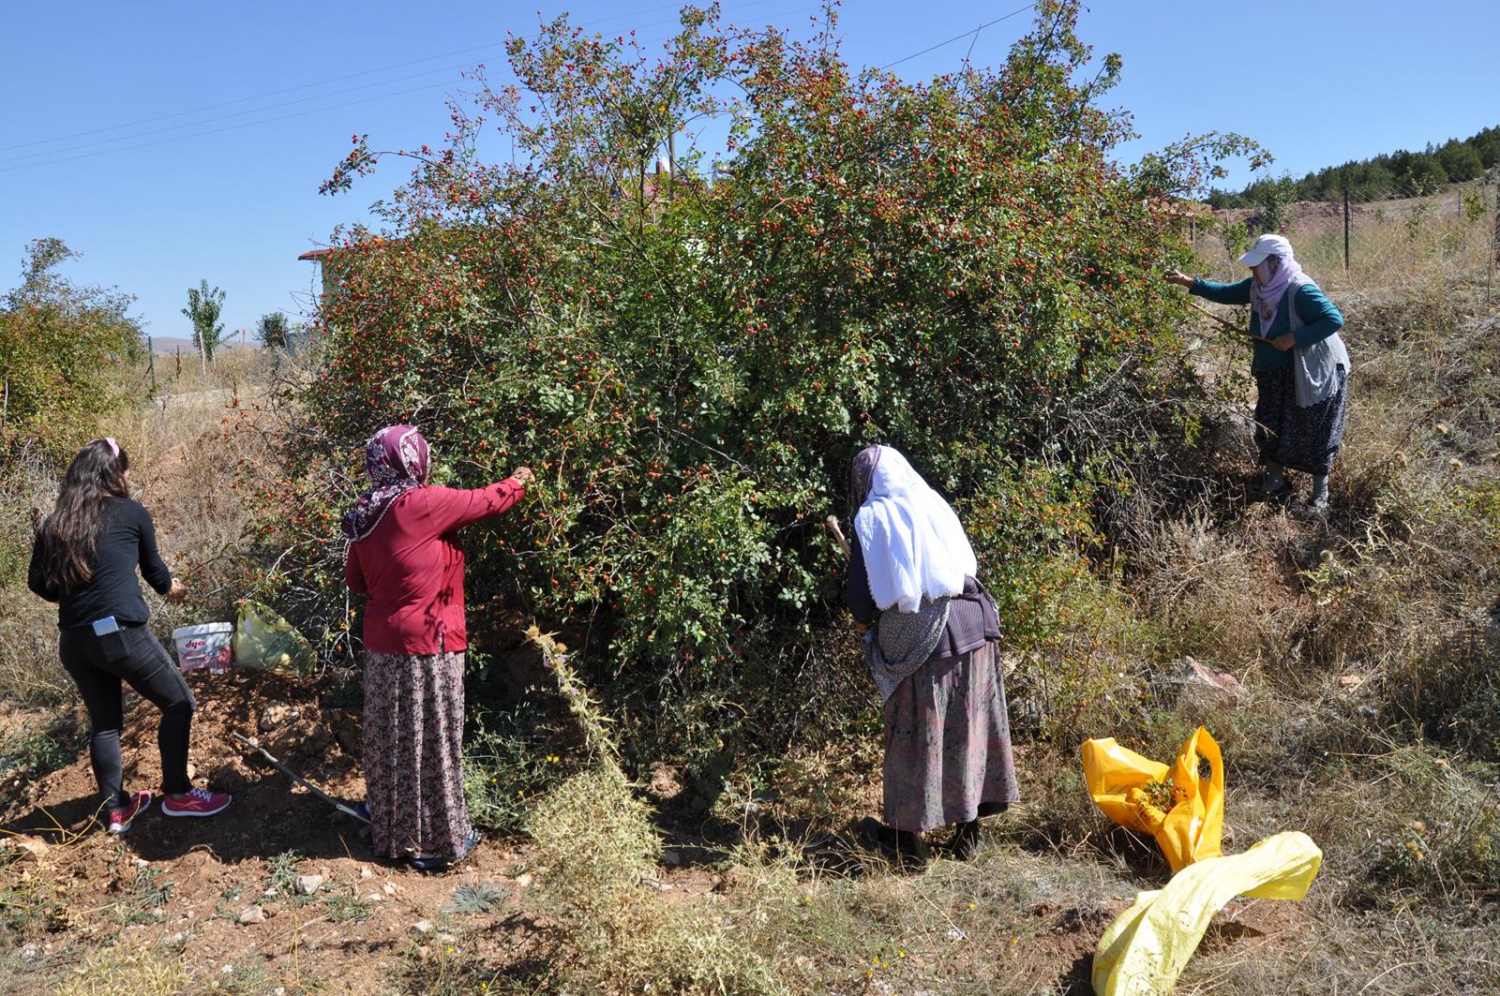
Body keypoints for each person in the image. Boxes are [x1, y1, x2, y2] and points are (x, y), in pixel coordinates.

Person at [343, 424, 532, 872]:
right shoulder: (421, 504)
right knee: (434, 740)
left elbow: (356, 581)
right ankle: (439, 842)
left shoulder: (365, 513)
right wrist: (520, 481)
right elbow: (487, 501)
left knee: (391, 739)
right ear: (414, 459)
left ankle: (391, 831)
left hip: (382, 645)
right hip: (429, 645)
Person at [28, 438, 232, 834]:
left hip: (74, 641)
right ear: (113, 474)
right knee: (179, 704)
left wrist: (71, 595)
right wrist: (175, 590)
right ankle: (177, 794)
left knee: (105, 724)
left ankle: (116, 810)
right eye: (124, 470)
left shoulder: (57, 522)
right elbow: (156, 575)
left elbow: (39, 584)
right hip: (119, 634)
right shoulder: (130, 513)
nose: (126, 477)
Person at [845, 445, 1019, 863]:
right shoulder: (932, 502)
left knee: (910, 730)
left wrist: (864, 624)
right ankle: (968, 834)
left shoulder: (871, 519)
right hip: (974, 625)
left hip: (928, 639)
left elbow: (861, 598)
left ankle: (908, 845)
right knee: (967, 728)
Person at [1168, 234, 1351, 510]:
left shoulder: (1299, 290)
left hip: (1312, 372)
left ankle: (1319, 495)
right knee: (1269, 424)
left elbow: (1333, 319)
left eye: (1258, 265)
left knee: (1317, 430)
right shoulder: (1258, 287)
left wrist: (1294, 337)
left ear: (1276, 263)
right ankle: (1275, 482)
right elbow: (1227, 292)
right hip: (1274, 371)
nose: (1253, 270)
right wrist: (1190, 283)